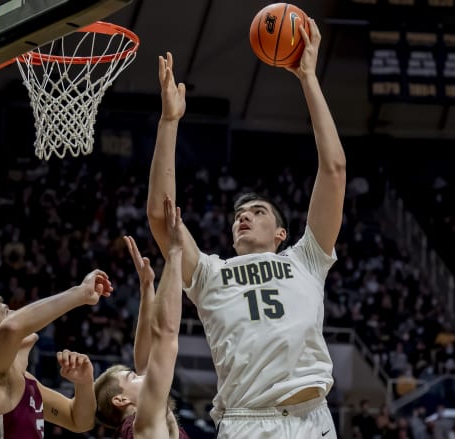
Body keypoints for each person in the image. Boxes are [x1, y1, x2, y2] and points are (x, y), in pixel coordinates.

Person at [146, 17, 346, 439]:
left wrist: (308, 77)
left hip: (314, 418)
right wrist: (169, 123)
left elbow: (333, 169)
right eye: (239, 214)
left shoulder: (306, 259)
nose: (244, 216)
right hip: (248, 421)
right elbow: (162, 220)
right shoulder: (210, 274)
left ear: (280, 234)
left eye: (257, 211)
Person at [0, 270, 113, 438]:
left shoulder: (27, 383)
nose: (19, 313)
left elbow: (80, 421)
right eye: (8, 312)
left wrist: (84, 383)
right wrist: (80, 293)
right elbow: (11, 328)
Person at [93, 197, 190, 438]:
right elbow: (165, 335)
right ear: (121, 399)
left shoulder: (141, 424)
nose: (141, 374)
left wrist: (147, 288)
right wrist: (175, 252)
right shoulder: (143, 423)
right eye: (131, 377)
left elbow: (146, 362)